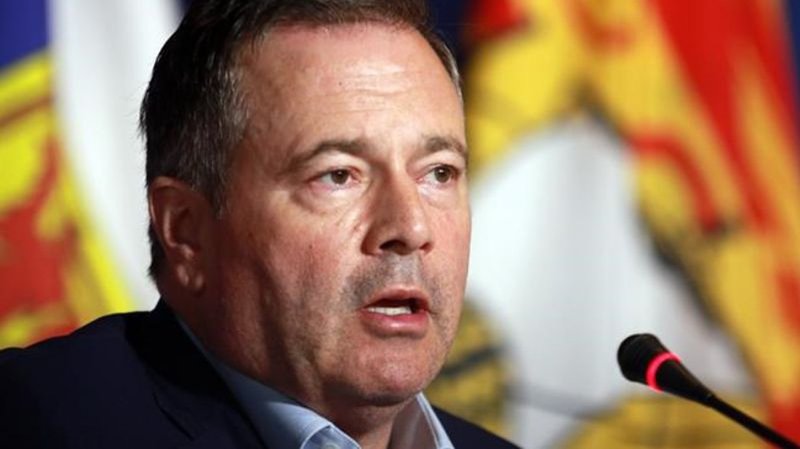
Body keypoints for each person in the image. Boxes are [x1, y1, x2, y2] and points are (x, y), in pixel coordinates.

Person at [0, 1, 519, 448]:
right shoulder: (39, 423)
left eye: (439, 173)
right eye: (338, 175)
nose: (410, 227)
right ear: (185, 230)